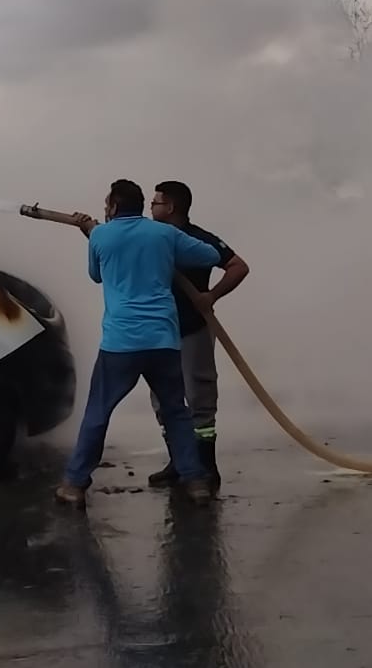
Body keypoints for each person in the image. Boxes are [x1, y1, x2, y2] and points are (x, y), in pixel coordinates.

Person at [56, 179, 224, 508]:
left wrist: (93, 233)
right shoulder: (165, 234)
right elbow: (210, 255)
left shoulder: (101, 235)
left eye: (108, 204)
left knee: (98, 413)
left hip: (121, 342)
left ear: (115, 207)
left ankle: (74, 485)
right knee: (177, 412)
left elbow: (96, 275)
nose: (105, 209)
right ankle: (196, 483)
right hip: (163, 340)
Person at [144, 180, 249, 490]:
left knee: (200, 397)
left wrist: (211, 296)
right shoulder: (151, 239)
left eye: (156, 203)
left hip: (193, 329)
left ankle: (207, 466)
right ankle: (179, 462)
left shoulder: (199, 240)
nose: (151, 208)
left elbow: (238, 267)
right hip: (161, 332)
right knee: (164, 400)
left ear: (171, 207)